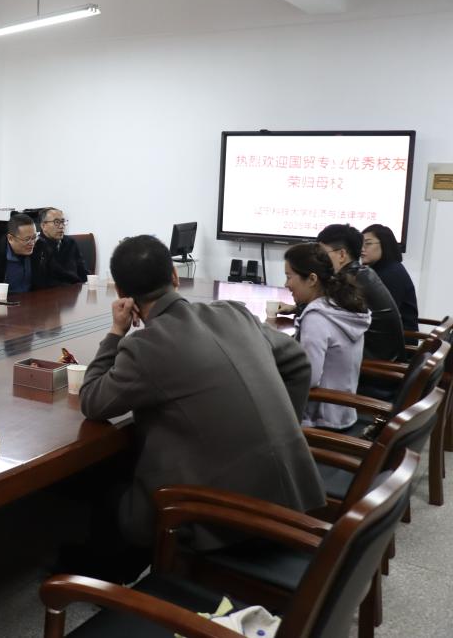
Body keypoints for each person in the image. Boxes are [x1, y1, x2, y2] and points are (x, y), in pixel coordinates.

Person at [78, 235, 324, 580]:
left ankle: (111, 581)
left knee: (111, 490)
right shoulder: (233, 312)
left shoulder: (146, 346)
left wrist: (116, 332)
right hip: (293, 493)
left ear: (121, 292)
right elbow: (297, 362)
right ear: (174, 276)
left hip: (231, 521)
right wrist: (284, 427)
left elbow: (92, 400)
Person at [284, 243, 370, 430]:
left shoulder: (316, 318)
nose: (286, 285)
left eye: (289, 277)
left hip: (319, 421)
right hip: (343, 413)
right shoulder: (341, 306)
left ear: (312, 279)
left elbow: (308, 378)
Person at [313, 224, 404, 362]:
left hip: (376, 366)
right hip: (379, 355)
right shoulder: (361, 273)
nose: (318, 260)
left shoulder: (349, 281)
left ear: (342, 255)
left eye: (322, 255)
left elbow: (320, 317)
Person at [361, 223, 418, 333]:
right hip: (385, 333)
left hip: (398, 339)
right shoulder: (382, 269)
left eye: (368, 243)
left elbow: (383, 316)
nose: (362, 249)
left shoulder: (391, 274)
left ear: (384, 245)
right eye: (361, 244)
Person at [33, 207, 88, 288]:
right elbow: (40, 281)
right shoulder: (37, 246)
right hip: (50, 293)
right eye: (56, 222)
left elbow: (82, 271)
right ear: (43, 225)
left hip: (74, 291)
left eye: (63, 222)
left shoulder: (71, 242)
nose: (62, 226)